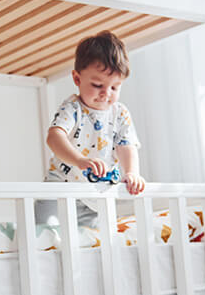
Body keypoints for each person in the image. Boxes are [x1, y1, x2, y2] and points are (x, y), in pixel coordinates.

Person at [38, 30, 145, 227]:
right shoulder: (73, 107)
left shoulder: (120, 113)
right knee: (43, 232)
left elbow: (126, 146)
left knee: (100, 240)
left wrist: (131, 172)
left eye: (115, 87)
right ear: (77, 79)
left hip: (97, 196)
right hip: (61, 187)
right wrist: (79, 160)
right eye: (97, 85)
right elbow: (54, 138)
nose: (106, 93)